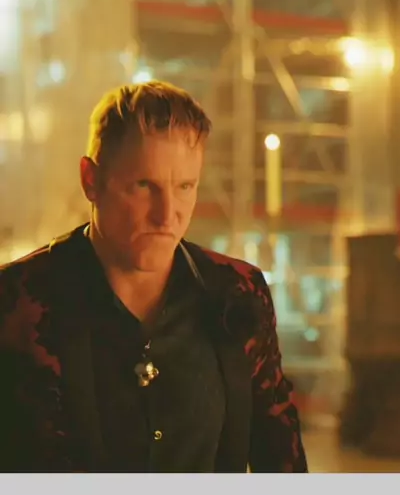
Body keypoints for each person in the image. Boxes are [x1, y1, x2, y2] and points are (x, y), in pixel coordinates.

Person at [0, 81, 308, 473]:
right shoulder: (16, 302)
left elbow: (281, 460)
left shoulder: (238, 293)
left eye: (185, 187)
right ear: (91, 180)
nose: (167, 216)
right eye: (144, 186)